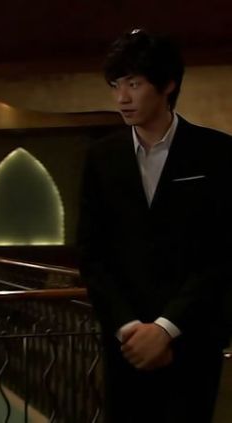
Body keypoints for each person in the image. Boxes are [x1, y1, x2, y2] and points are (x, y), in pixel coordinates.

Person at [78, 29, 232, 423]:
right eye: (116, 85)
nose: (121, 98)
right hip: (126, 345)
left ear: (168, 85)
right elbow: (92, 254)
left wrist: (166, 328)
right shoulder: (101, 157)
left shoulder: (217, 153)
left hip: (192, 339)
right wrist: (129, 327)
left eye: (134, 84)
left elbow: (222, 253)